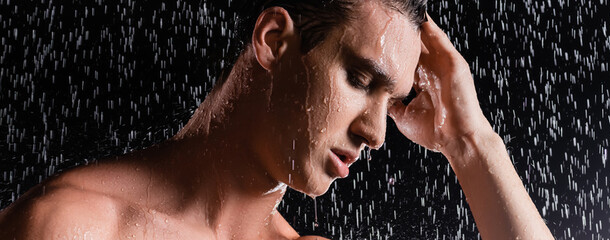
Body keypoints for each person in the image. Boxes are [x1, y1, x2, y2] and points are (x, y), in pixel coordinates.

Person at [0, 0, 553, 239]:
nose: (378, 132)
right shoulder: (76, 228)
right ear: (273, 41)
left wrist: (471, 144)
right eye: (361, 80)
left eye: (394, 100)